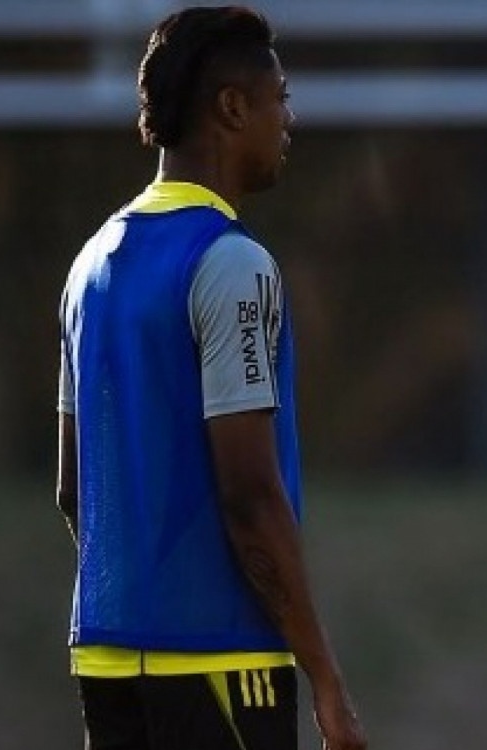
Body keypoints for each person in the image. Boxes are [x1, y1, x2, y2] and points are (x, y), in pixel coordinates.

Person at [55, 7, 367, 749]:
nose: (288, 119)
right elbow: (250, 495)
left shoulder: (89, 266)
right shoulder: (231, 263)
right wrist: (324, 676)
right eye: (280, 98)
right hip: (220, 658)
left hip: (103, 656)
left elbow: (74, 489)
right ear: (233, 106)